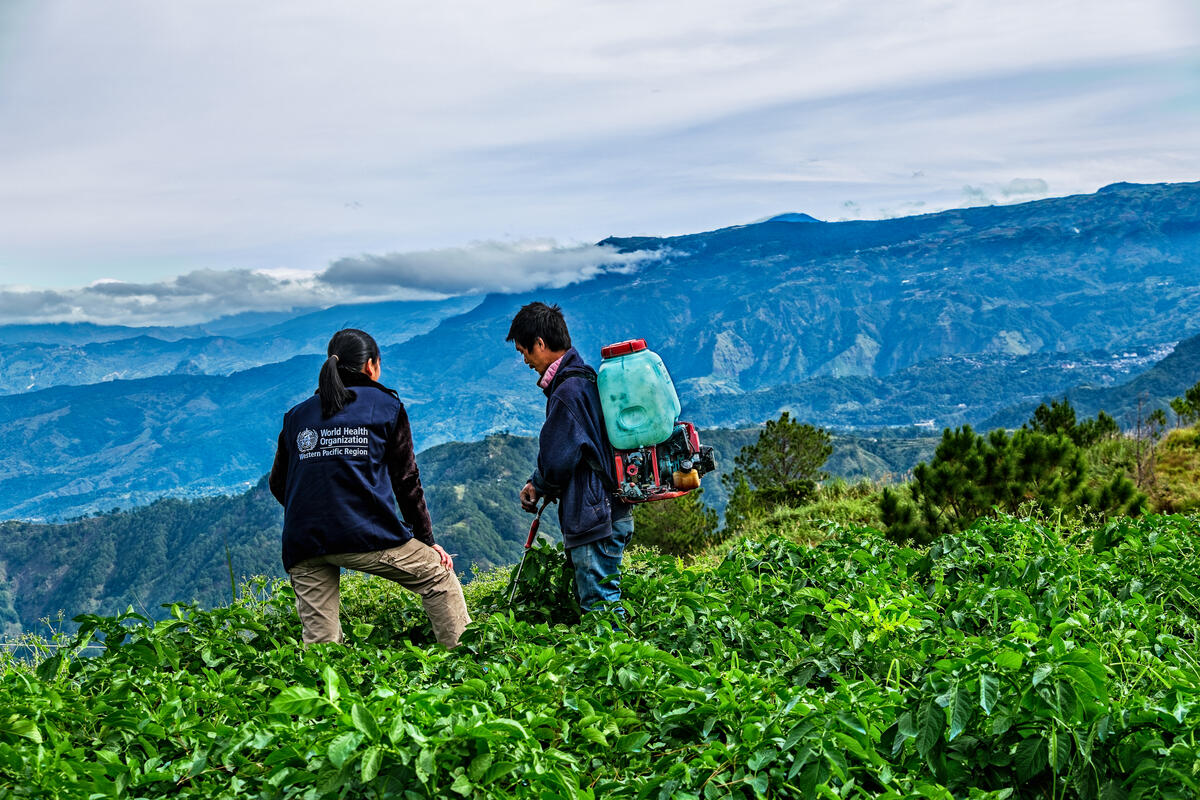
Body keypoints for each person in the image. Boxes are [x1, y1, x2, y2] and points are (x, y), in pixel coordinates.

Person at [268, 328, 470, 647]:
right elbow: (407, 482)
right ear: (372, 366)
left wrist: (315, 513)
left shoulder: (297, 415)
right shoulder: (385, 406)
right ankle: (466, 667)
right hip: (362, 532)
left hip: (303, 539)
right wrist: (427, 541)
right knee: (439, 577)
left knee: (320, 643)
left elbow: (278, 483)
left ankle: (325, 693)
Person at [506, 302, 634, 614]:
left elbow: (556, 461)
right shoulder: (584, 378)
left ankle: (617, 661)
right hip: (612, 510)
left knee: (600, 606)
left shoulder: (569, 391)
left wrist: (536, 484)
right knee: (603, 598)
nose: (525, 361)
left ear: (540, 344)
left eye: (525, 351)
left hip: (595, 515)